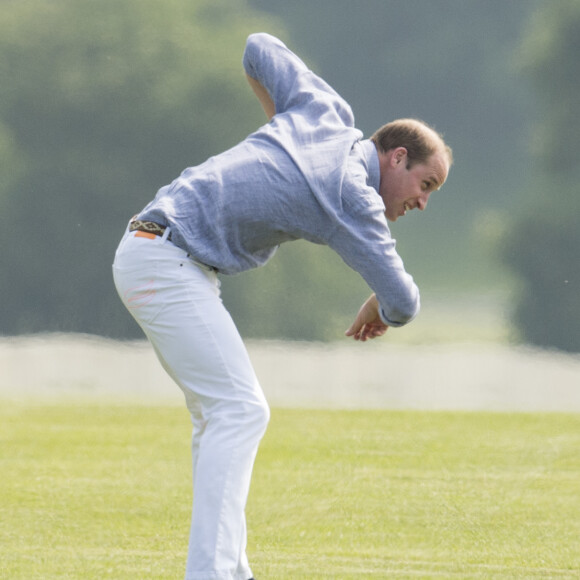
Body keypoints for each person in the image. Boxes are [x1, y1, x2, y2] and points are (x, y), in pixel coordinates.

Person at [112, 32, 452, 580]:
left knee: (220, 417)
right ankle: (213, 575)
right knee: (242, 410)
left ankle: (229, 570)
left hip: (162, 253)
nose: (423, 201)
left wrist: (280, 127)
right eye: (425, 182)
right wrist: (381, 308)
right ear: (395, 156)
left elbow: (257, 47)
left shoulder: (325, 112)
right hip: (164, 261)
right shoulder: (352, 193)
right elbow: (404, 302)